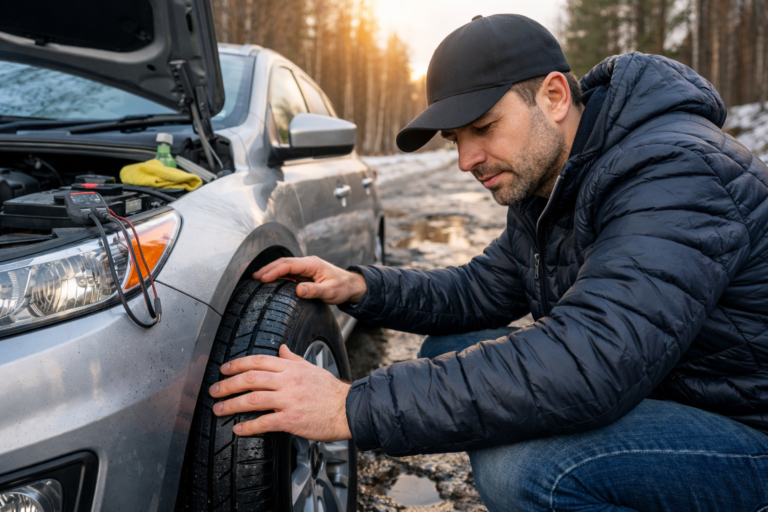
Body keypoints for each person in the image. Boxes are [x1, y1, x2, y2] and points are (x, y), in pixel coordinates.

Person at [208, 14, 768, 511]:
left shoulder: (676, 169)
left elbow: (595, 358)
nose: (465, 160)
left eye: (483, 128)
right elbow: (478, 292)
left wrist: (353, 407)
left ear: (553, 97)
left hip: (747, 431)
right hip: (674, 390)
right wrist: (360, 286)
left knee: (525, 471)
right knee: (448, 347)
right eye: (455, 139)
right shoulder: (554, 181)